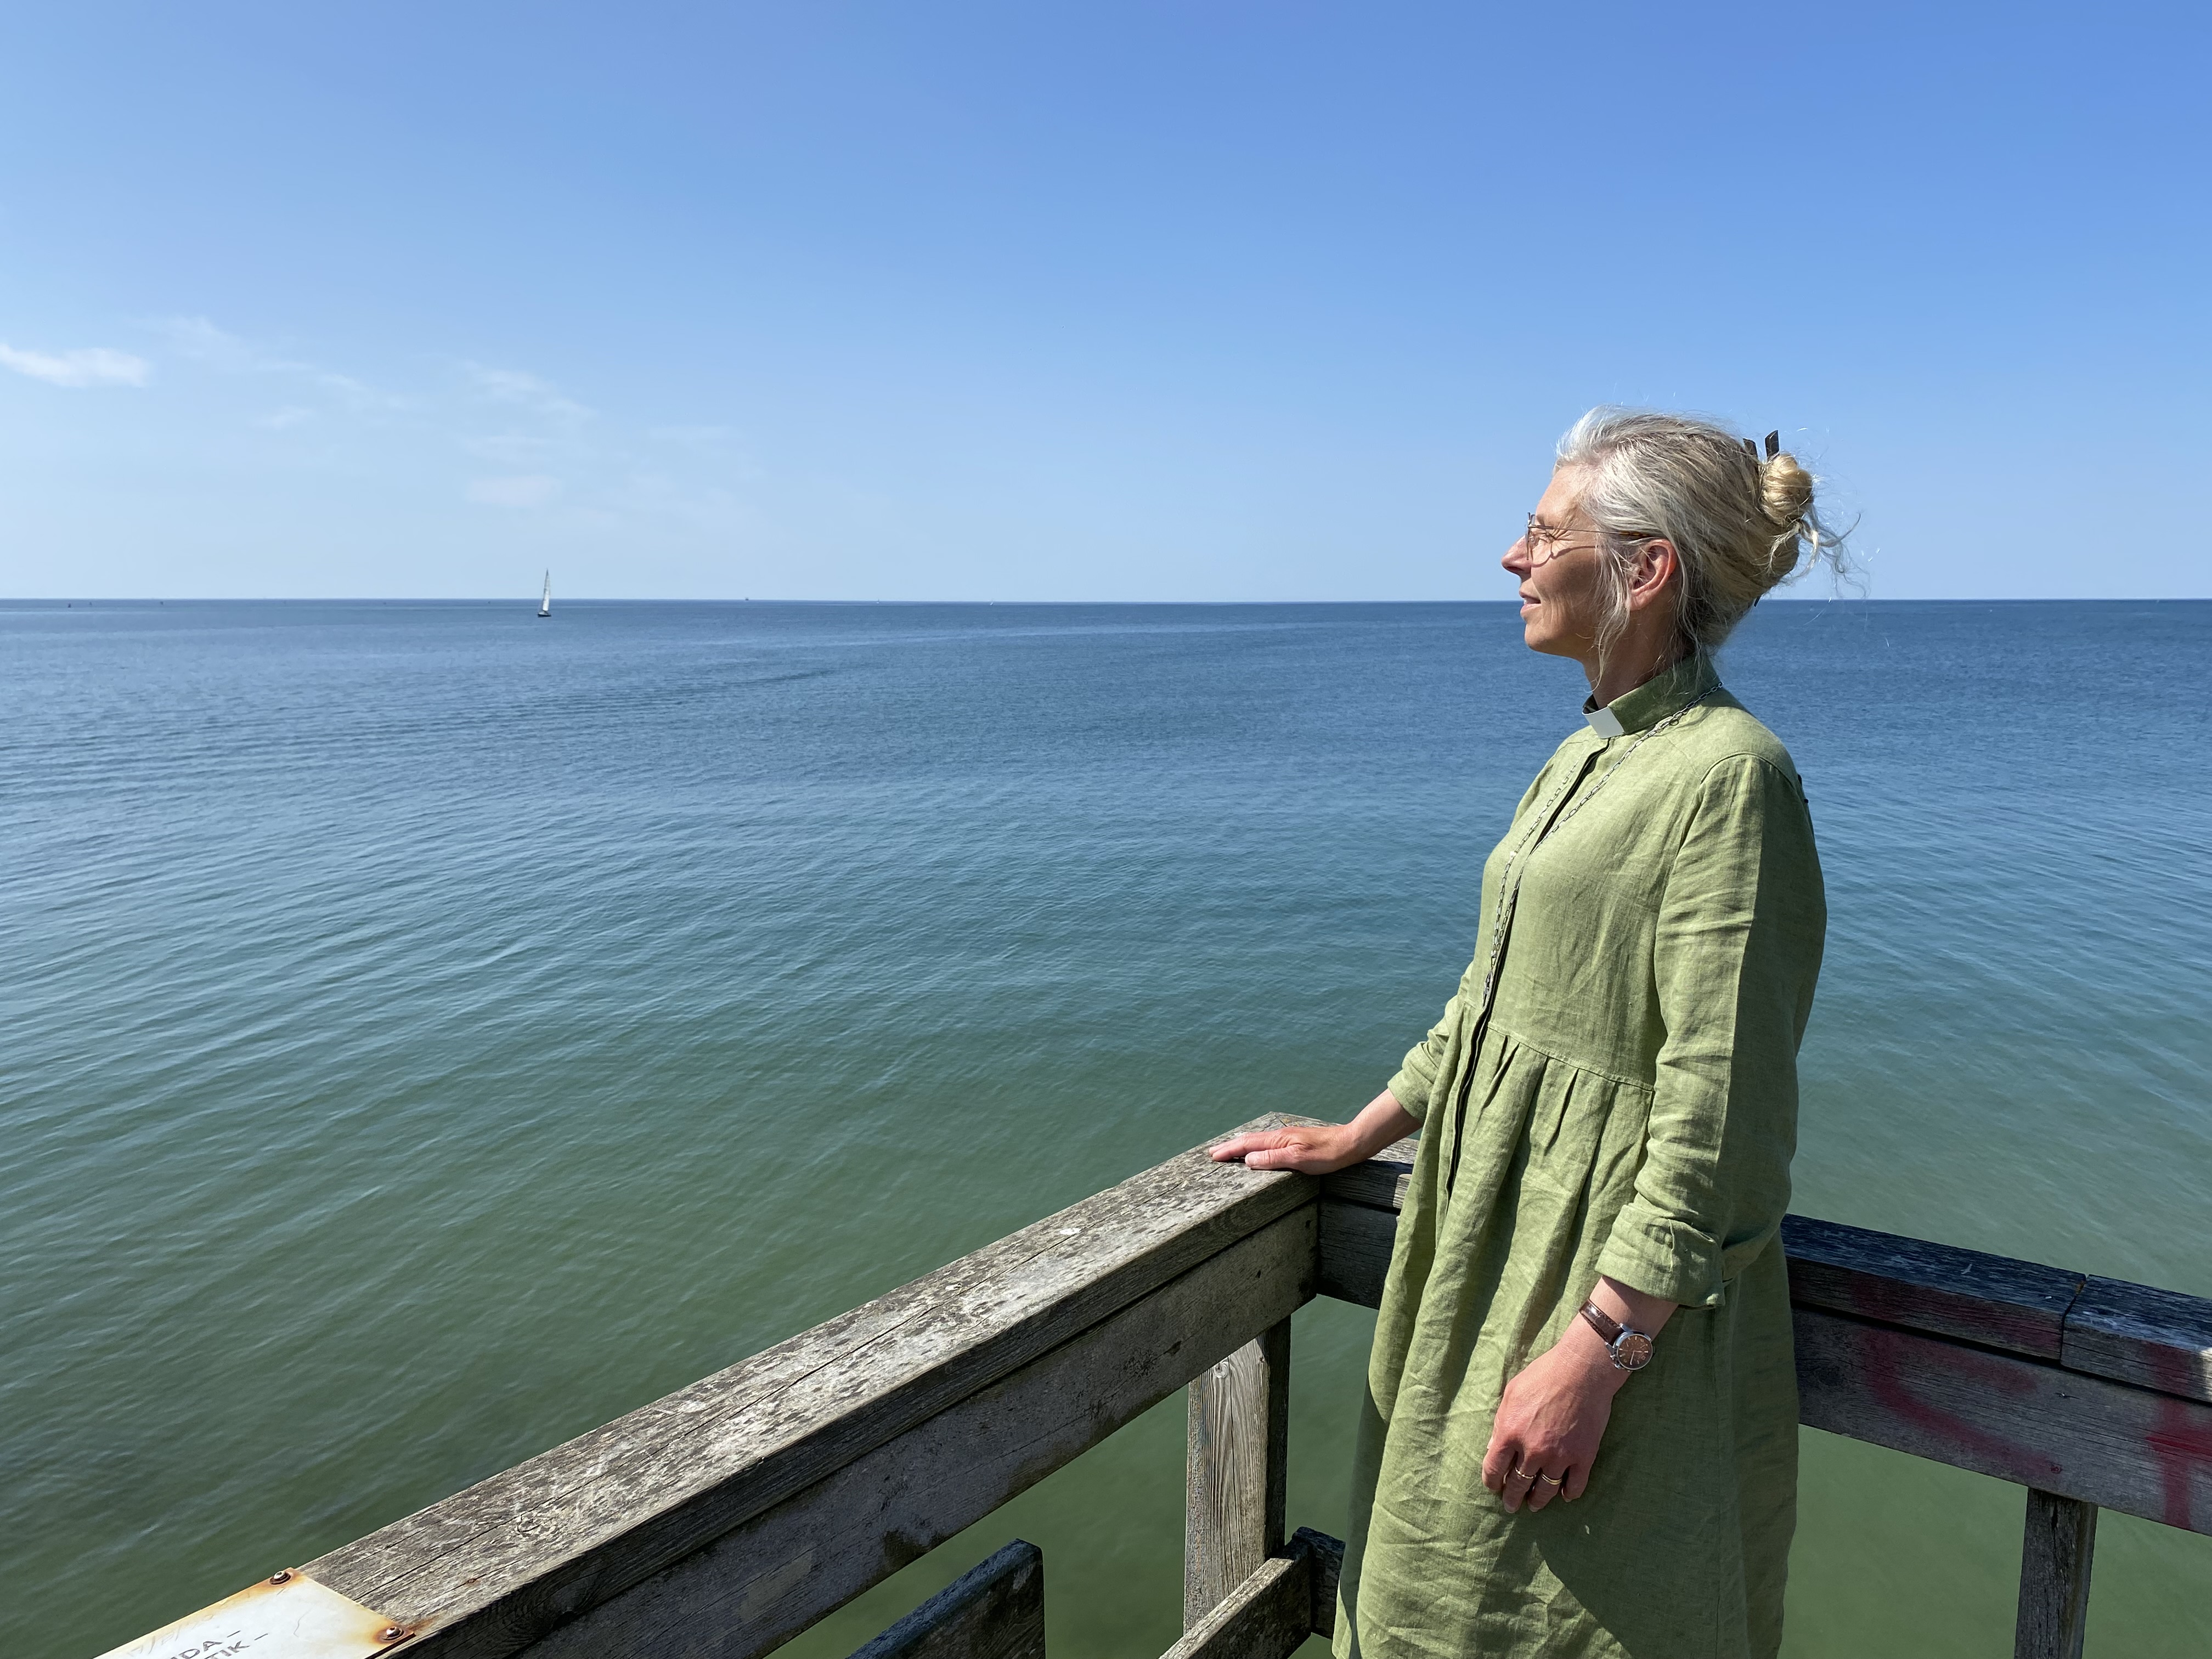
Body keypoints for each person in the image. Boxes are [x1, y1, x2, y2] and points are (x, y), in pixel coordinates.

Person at [1212, 408, 1838, 1658]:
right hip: (1478, 1266)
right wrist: (1362, 1133)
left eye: (1546, 533)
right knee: (1417, 1600)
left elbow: (1718, 1112)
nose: (1512, 556)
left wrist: (1598, 1355)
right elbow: (1489, 1010)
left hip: (1587, 1301)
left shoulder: (1732, 779)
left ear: (1645, 568)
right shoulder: (1586, 757)